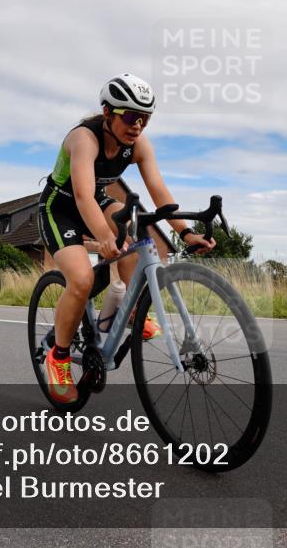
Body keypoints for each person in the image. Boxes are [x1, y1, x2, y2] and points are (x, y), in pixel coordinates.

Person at [37, 73, 215, 403]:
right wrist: (104, 236)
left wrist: (185, 233)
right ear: (108, 112)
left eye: (145, 120)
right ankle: (58, 358)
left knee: (136, 226)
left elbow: (159, 192)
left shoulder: (137, 145)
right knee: (81, 279)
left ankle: (131, 310)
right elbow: (82, 195)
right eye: (131, 117)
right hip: (60, 207)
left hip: (96, 201)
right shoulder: (83, 139)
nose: (137, 127)